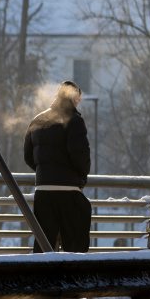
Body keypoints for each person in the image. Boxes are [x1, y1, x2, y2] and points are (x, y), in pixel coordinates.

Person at [23, 80, 92, 254]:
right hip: (68, 190)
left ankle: (41, 279)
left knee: (44, 244)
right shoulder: (74, 121)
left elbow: (28, 156)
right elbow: (80, 155)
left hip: (43, 191)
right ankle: (74, 279)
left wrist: (46, 172)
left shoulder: (38, 120)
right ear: (75, 97)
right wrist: (81, 177)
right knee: (75, 243)